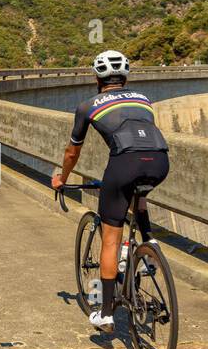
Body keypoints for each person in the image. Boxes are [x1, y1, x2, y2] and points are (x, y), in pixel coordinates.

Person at [50, 50, 169, 330]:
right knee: (138, 196)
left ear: (97, 77)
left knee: (111, 239)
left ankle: (104, 313)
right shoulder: (143, 99)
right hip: (160, 161)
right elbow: (142, 138)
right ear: (125, 76)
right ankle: (149, 247)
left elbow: (71, 153)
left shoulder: (88, 105)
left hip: (124, 163)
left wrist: (61, 178)